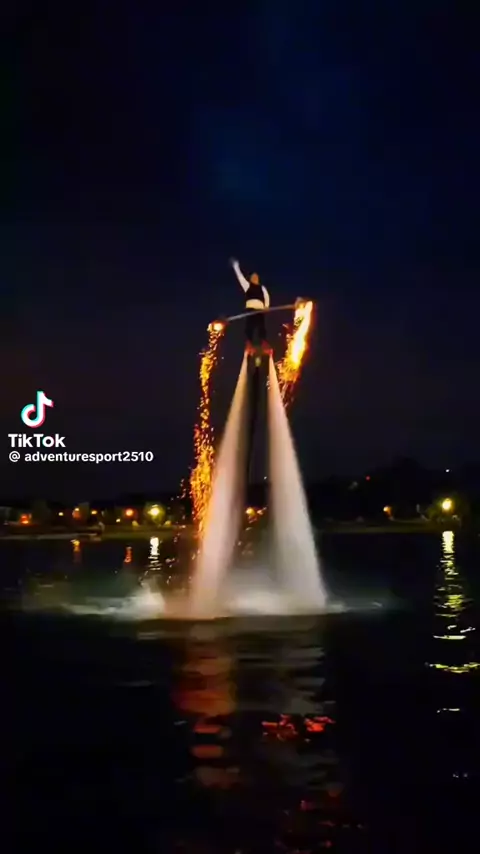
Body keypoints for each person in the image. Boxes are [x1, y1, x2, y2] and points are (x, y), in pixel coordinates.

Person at [230, 258, 270, 349]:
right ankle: (249, 342)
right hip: (250, 309)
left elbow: (266, 297)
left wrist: (267, 306)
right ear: (250, 279)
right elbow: (240, 277)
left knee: (261, 326)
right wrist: (236, 266)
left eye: (256, 277)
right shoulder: (247, 286)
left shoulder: (262, 288)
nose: (255, 278)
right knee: (249, 326)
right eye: (253, 277)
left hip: (260, 309)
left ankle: (263, 341)